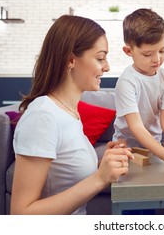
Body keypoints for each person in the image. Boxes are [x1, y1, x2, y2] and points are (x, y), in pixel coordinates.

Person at [10, 15, 134, 215]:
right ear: (71, 60)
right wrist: (99, 179)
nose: (107, 66)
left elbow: (64, 178)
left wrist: (102, 166)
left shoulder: (69, 112)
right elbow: (21, 214)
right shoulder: (43, 116)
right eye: (100, 58)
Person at [112, 8, 164, 170]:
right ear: (129, 51)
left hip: (154, 145)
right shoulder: (127, 81)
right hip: (126, 147)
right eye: (148, 54)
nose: (157, 59)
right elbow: (136, 127)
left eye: (162, 51)